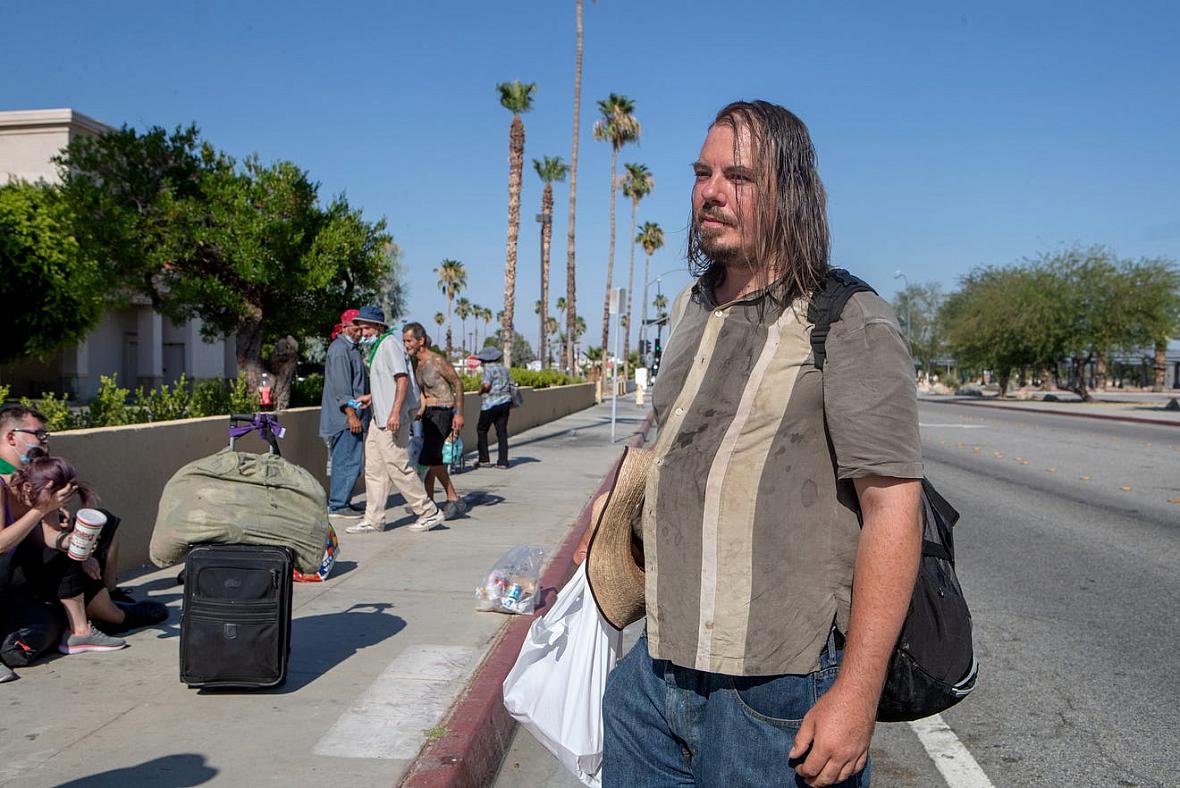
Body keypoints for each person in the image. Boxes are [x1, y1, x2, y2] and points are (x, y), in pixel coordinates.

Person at [599, 101, 923, 787]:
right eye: (703, 173)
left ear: (790, 194)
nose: (711, 192)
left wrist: (857, 698)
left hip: (774, 694)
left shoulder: (849, 318)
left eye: (739, 176)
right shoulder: (691, 307)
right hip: (655, 679)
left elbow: (894, 508)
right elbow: (669, 446)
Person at [348, 306, 444, 534]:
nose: (362, 333)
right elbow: (390, 383)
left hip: (392, 419)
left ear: (379, 327)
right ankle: (373, 519)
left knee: (397, 465)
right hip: (378, 418)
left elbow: (402, 380)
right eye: (360, 328)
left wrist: (394, 412)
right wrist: (373, 398)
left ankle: (428, 512)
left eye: (366, 328)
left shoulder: (389, 345)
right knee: (374, 469)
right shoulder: (380, 347)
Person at [402, 323, 467, 519]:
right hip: (429, 414)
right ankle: (428, 504)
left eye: (409, 341)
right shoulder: (418, 365)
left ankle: (453, 498)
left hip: (443, 411)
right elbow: (422, 392)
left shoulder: (436, 360)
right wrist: (421, 408)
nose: (406, 345)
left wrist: (459, 414)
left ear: (420, 341)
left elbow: (458, 383)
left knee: (430, 459)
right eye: (404, 341)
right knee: (429, 463)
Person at [320, 308, 369, 519]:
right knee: (346, 462)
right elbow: (342, 390)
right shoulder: (340, 350)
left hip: (350, 418)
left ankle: (343, 501)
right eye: (356, 329)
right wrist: (351, 415)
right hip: (345, 419)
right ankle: (339, 505)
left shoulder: (351, 349)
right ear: (345, 327)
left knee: (352, 461)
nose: (359, 333)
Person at [473, 347, 512, 470]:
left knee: (481, 429)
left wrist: (480, 391)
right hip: (505, 402)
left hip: (490, 403)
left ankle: (484, 459)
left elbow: (486, 385)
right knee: (501, 432)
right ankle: (503, 461)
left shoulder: (488, 369)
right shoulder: (504, 369)